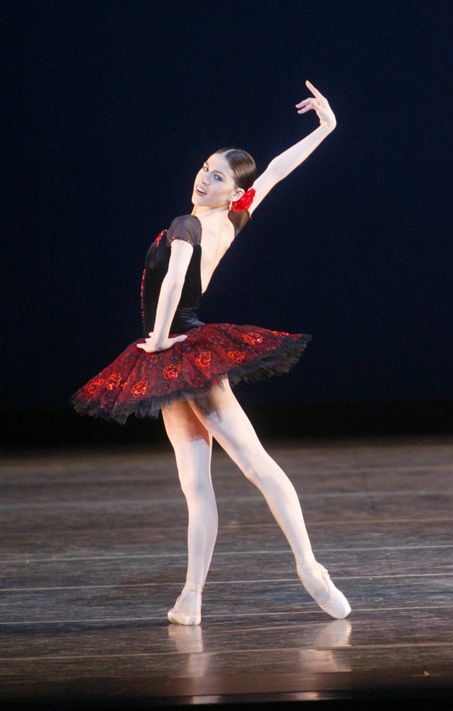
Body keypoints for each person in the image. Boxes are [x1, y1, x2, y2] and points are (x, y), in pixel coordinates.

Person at [70, 80, 351, 624]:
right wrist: (326, 128)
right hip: (180, 353)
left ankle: (310, 569)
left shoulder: (188, 224)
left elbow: (175, 280)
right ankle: (191, 599)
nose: (204, 177)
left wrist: (154, 340)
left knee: (248, 465)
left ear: (230, 191)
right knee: (200, 481)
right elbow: (273, 171)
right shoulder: (235, 216)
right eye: (205, 168)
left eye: (217, 176)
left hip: (177, 349)